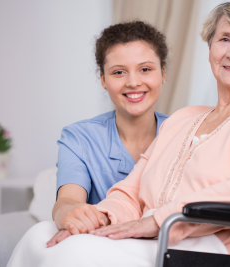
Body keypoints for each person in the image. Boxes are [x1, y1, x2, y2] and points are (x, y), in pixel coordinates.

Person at [7, 0, 230, 266]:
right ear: (210, 46)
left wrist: (159, 219)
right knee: (41, 235)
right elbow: (131, 191)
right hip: (169, 237)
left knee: (78, 252)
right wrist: (98, 218)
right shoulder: (184, 119)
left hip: (229, 248)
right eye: (225, 39)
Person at [50, 21, 169, 245]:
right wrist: (68, 213)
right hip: (101, 250)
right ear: (103, 79)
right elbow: (68, 200)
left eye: (145, 69)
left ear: (162, 73)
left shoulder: (186, 133)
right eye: (119, 72)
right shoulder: (78, 138)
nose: (133, 82)